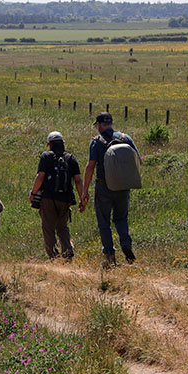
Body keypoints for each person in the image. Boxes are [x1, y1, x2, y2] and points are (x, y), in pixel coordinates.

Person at [80, 112, 141, 267]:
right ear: (111, 123)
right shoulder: (125, 138)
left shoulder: (96, 142)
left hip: (103, 186)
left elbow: (90, 166)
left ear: (99, 125)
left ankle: (109, 255)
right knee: (121, 219)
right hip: (123, 187)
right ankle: (126, 244)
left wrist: (84, 190)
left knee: (104, 222)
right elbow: (139, 160)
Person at [29, 131, 81, 260]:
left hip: (47, 198)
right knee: (63, 227)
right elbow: (78, 180)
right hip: (65, 199)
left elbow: (40, 177)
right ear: (63, 143)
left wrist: (33, 193)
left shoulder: (46, 157)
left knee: (48, 227)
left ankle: (53, 256)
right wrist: (83, 198)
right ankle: (68, 253)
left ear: (49, 144)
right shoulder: (71, 158)